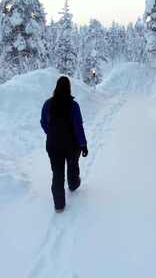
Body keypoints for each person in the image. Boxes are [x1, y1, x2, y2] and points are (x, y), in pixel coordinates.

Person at [41, 77, 88, 213]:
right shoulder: (73, 106)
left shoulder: (47, 104)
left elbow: (43, 122)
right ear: (69, 88)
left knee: (57, 174)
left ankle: (59, 206)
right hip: (71, 145)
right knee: (73, 166)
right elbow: (78, 126)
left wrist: (51, 133)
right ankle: (73, 185)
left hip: (53, 145)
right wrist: (83, 144)